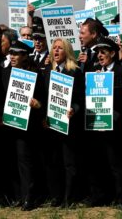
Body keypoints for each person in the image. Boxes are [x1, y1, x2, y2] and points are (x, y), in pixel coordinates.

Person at [83, 37, 122, 206]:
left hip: (115, 127)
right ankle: (99, 196)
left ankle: (121, 197)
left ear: (112, 53)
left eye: (103, 52)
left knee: (116, 164)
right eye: (97, 52)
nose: (100, 56)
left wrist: (112, 119)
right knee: (96, 163)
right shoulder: (92, 70)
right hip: (95, 125)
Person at [1, 40, 45, 210]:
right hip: (8, 124)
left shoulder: (34, 74)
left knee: (25, 161)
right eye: (11, 53)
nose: (12, 56)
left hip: (27, 126)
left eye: (16, 53)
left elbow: (42, 98)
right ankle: (18, 195)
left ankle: (29, 197)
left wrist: (37, 104)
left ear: (25, 56)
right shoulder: (5, 72)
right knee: (12, 161)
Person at [42, 38, 85, 206]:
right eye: (54, 48)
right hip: (51, 124)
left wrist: (74, 109)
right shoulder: (47, 70)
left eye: (60, 48)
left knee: (69, 162)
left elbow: (81, 98)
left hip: (69, 124)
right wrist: (44, 117)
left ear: (67, 51)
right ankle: (56, 197)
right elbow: (45, 97)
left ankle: (70, 197)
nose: (56, 51)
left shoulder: (75, 71)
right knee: (53, 162)